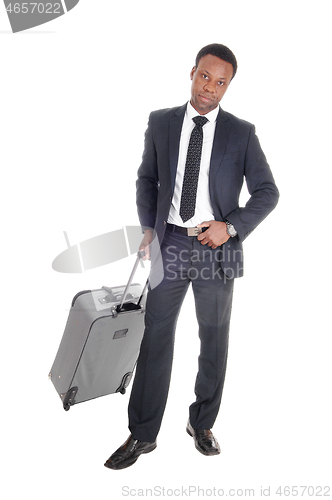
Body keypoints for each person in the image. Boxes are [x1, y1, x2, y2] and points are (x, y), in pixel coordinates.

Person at [104, 43, 279, 470]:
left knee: (214, 339)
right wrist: (149, 226)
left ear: (228, 86)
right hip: (171, 244)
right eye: (206, 76)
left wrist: (230, 226)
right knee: (155, 335)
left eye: (221, 83)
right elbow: (147, 179)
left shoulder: (242, 132)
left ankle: (201, 423)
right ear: (192, 73)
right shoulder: (161, 122)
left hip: (214, 249)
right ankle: (142, 434)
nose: (211, 88)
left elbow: (267, 193)